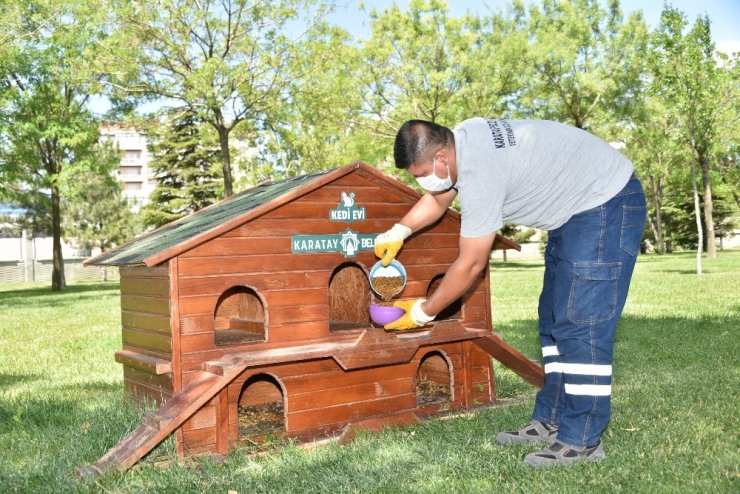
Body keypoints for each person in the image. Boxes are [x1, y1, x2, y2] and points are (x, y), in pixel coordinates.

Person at [374, 118, 646, 467]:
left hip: (606, 203)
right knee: (552, 320)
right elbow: (438, 198)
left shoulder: (481, 174)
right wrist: (399, 230)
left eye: (422, 173)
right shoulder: (465, 136)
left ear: (442, 157)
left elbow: (470, 265)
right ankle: (551, 420)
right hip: (574, 213)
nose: (422, 182)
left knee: (582, 323)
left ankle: (582, 441)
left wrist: (423, 312)